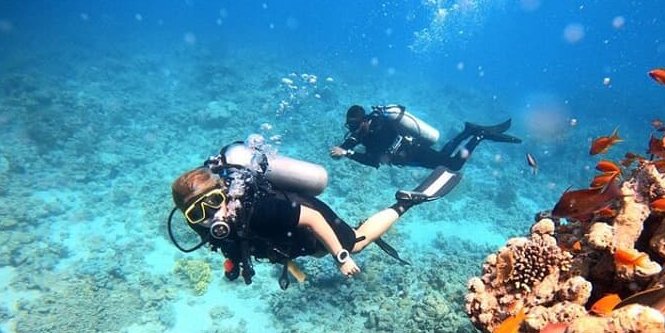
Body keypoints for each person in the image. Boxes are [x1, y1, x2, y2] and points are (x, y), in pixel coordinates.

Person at [169, 137, 462, 289]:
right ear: (187, 218)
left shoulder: (257, 209)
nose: (211, 216)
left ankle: (405, 201)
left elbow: (311, 218)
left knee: (355, 243)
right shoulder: (209, 228)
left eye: (214, 201)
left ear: (225, 193)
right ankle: (339, 240)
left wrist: (341, 257)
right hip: (290, 236)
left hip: (307, 214)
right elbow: (236, 242)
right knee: (322, 250)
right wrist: (233, 262)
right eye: (197, 213)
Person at [330, 104, 521, 171]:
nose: (354, 130)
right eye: (350, 126)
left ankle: (478, 136)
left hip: (414, 153)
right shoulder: (364, 130)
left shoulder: (378, 129)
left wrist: (347, 153)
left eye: (355, 125)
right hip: (411, 154)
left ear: (364, 120)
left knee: (453, 165)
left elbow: (373, 161)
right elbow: (350, 142)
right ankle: (467, 131)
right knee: (443, 158)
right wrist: (342, 148)